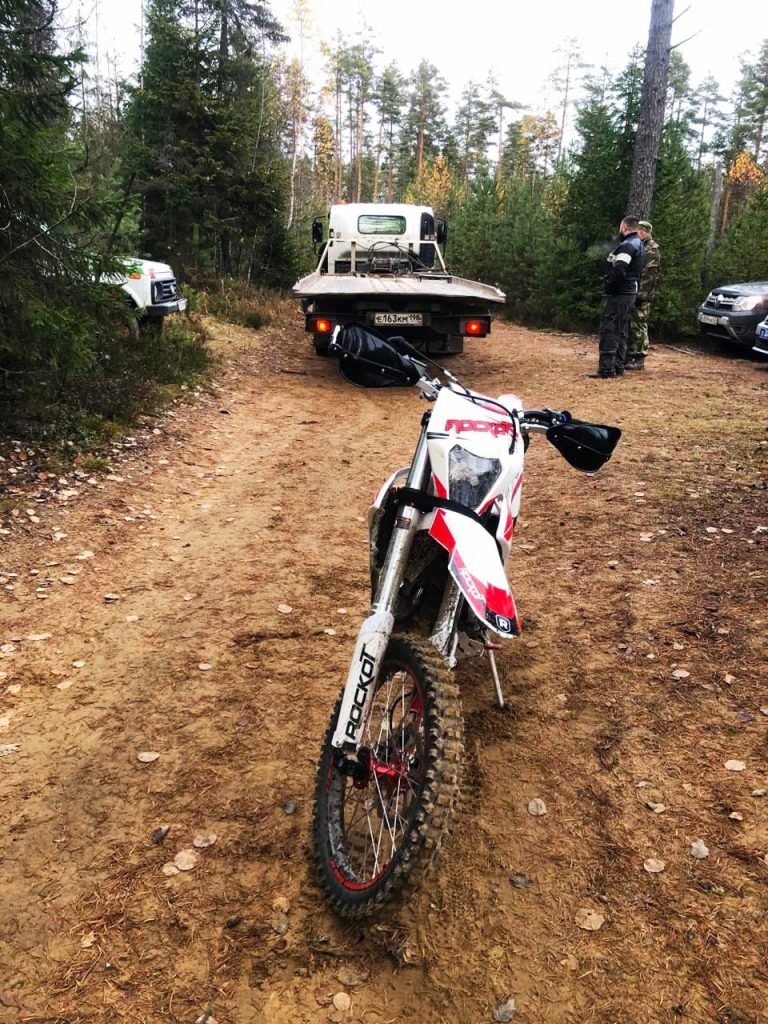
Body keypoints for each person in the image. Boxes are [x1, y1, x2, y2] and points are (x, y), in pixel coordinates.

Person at [588, 216, 644, 379]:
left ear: (624, 227)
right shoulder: (637, 243)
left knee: (610, 328)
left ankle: (606, 369)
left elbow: (620, 269)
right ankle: (618, 366)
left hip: (620, 293)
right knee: (621, 329)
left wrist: (609, 285)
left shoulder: (627, 245)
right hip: (628, 293)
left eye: (620, 227)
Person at [625, 220, 661, 371]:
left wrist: (641, 295)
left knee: (639, 324)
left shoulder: (651, 249)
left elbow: (649, 275)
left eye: (638, 231)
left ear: (642, 232)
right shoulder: (641, 246)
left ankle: (638, 357)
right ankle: (630, 354)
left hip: (642, 294)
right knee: (632, 324)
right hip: (635, 291)